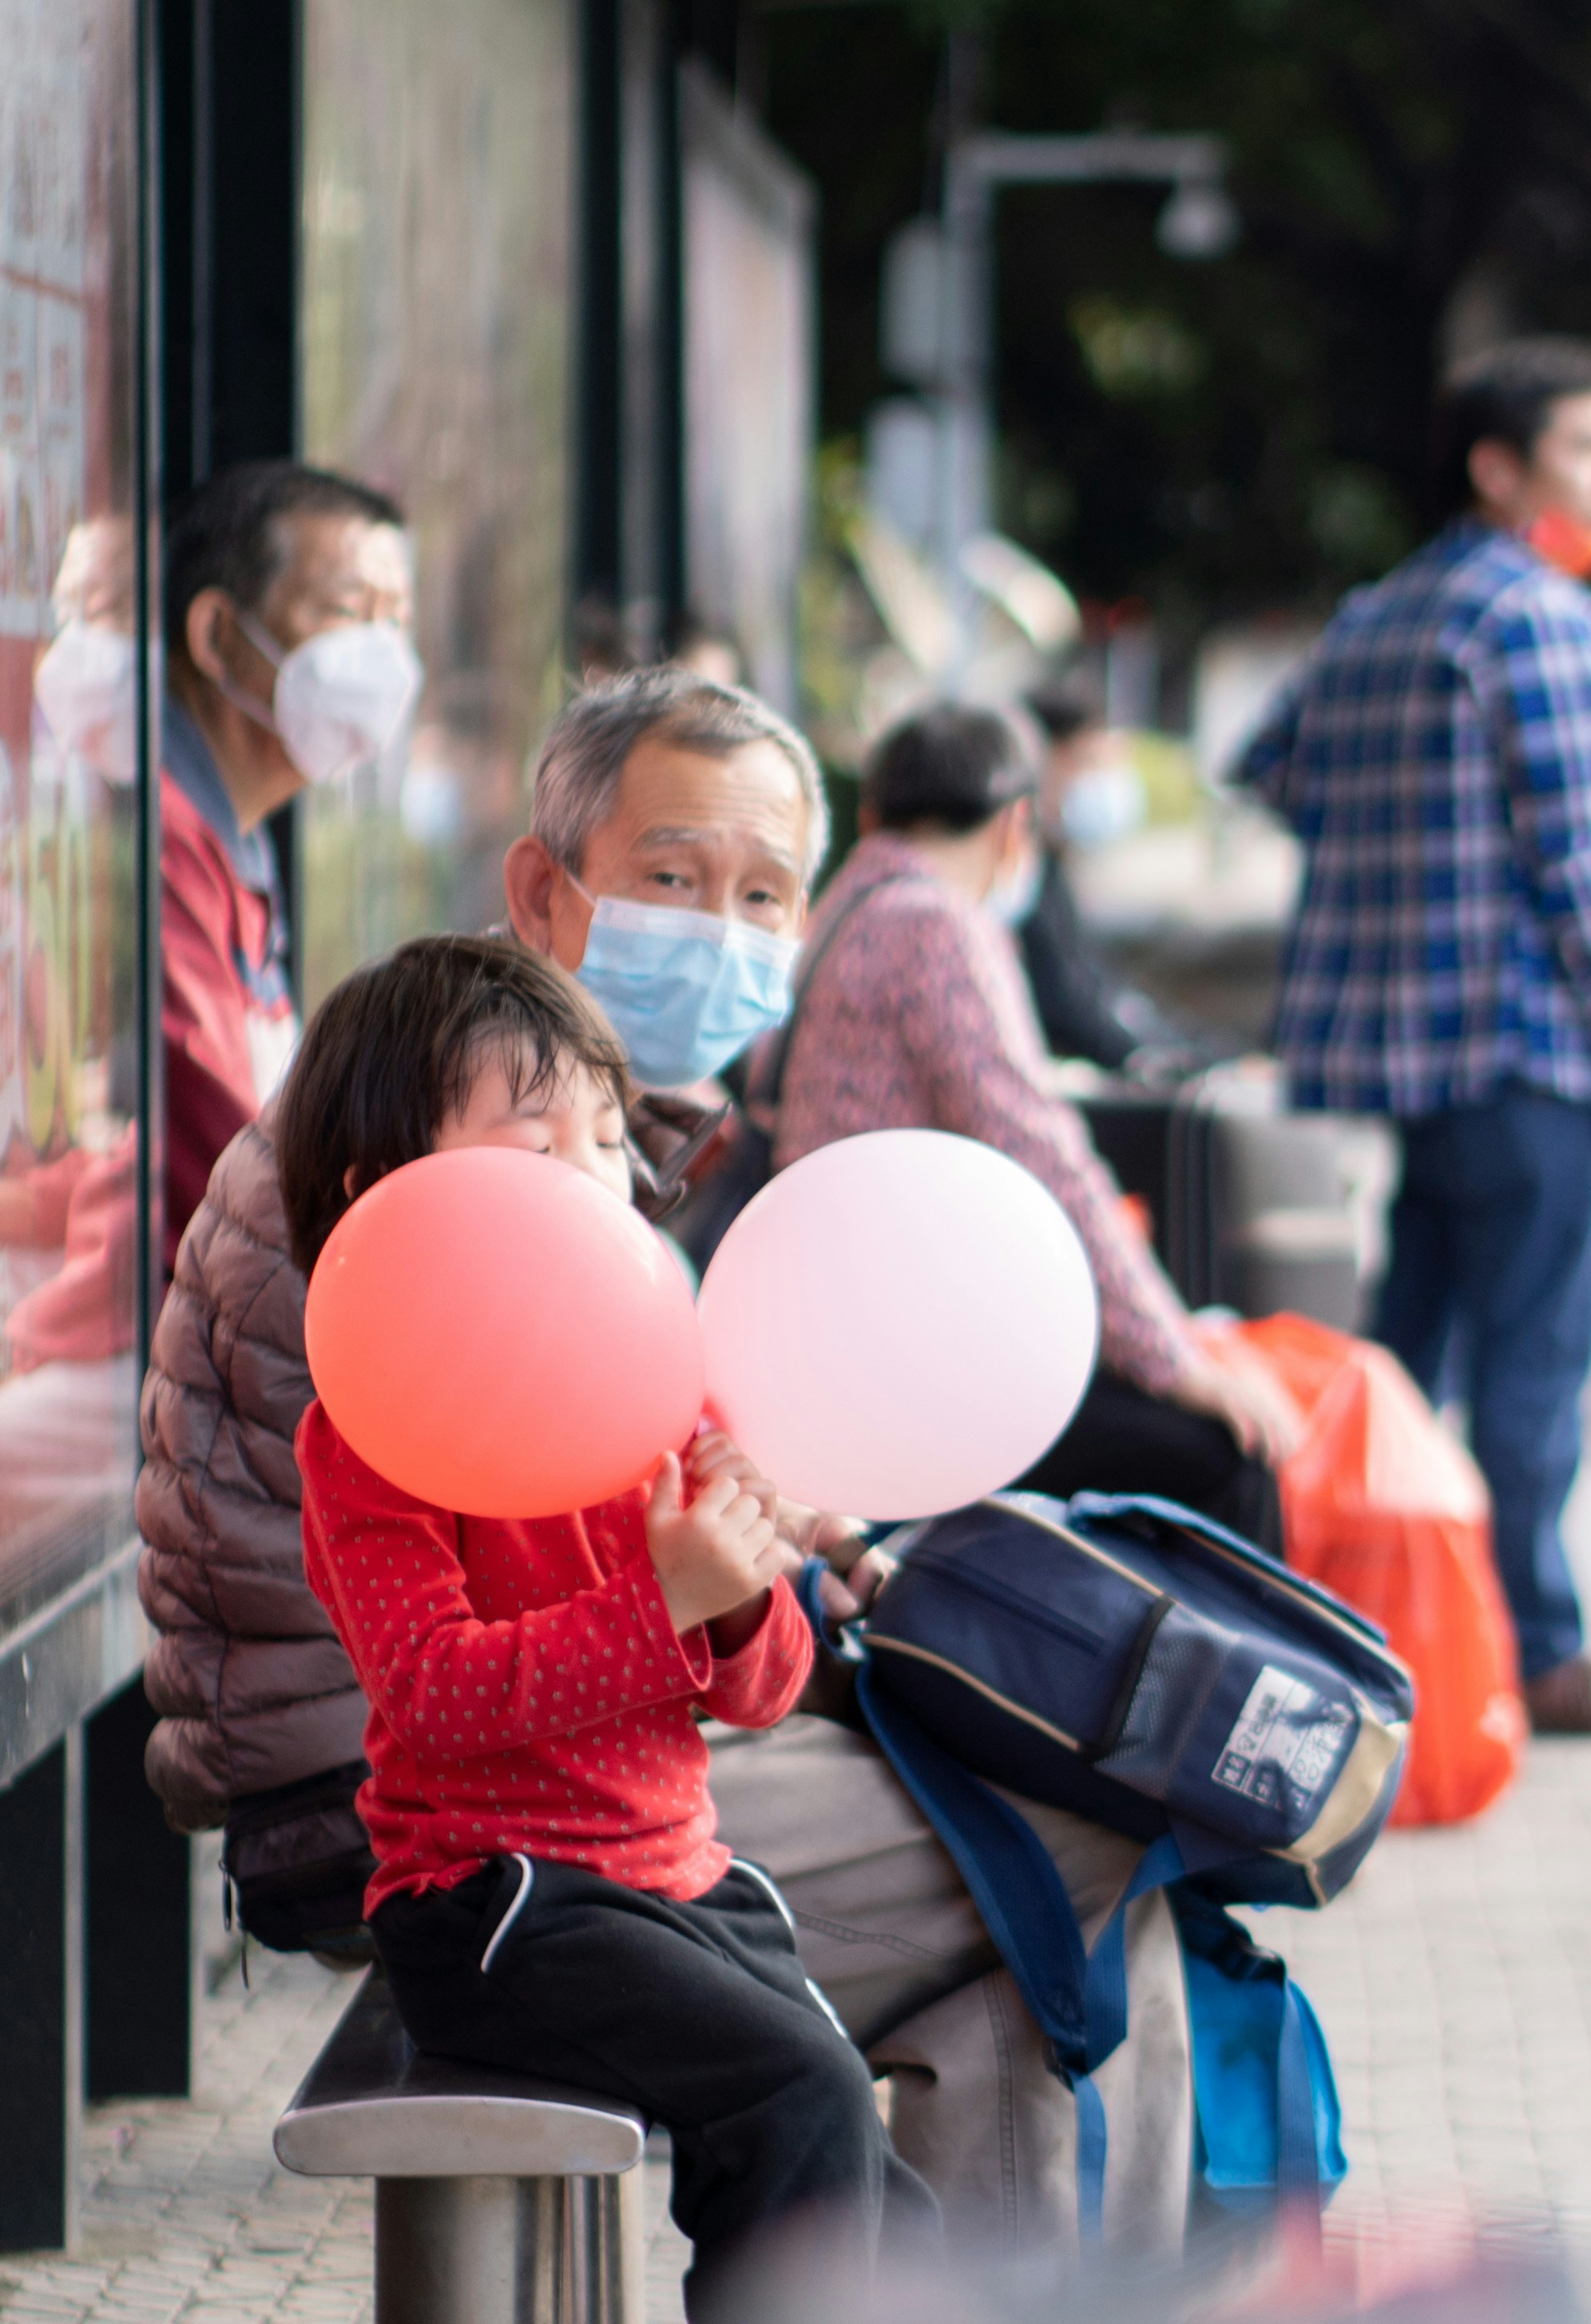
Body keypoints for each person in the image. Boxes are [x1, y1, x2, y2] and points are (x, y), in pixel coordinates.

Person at [133, 668, 1196, 2261]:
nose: (720, 926)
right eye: (670, 877)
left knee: (999, 1925)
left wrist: (748, 1558)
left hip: (619, 1782)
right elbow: (434, 1655)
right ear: (541, 888)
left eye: (763, 893)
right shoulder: (404, 1197)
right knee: (1078, 1863)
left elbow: (727, 1656)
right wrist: (674, 1585)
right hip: (404, 1809)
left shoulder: (573, 1142)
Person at [280, 935, 930, 2321]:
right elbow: (436, 1693)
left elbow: (768, 1687)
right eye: (536, 1142)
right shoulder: (372, 1434)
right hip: (492, 1903)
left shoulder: (650, 1378)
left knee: (881, 2187)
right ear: (382, 1194)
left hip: (682, 1882)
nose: (589, 1178)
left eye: (602, 1139)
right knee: (798, 2096)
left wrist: (743, 1580)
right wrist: (663, 1600)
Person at [1230, 338, 1591, 1738]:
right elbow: (1584, 852)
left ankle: (1379, 1640)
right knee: (1533, 1369)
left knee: (1406, 1370)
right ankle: (1538, 1653)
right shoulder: (1541, 617)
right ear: (1499, 470)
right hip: (1519, 1055)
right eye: (1588, 455)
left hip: (1385, 1067)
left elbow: (1271, 766)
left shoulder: (1378, 616)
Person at [775, 698, 1303, 1546]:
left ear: (873, 811)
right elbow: (1044, 1155)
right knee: (1225, 1451)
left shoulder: (840, 909)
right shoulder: (937, 926)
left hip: (844, 1335)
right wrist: (1176, 1364)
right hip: (913, 1364)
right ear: (1015, 825)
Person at [152, 462, 423, 1249]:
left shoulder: (236, 842)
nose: (380, 655)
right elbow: (228, 1151)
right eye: (345, 610)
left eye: (394, 621)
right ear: (216, 636)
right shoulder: (164, 840)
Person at [1012, 681, 1196, 1079]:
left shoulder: (1047, 869)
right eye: (1088, 762)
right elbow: (1072, 1009)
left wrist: (1202, 1056)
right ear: (1045, 760)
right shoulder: (1016, 882)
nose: (1097, 782)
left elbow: (1103, 994)